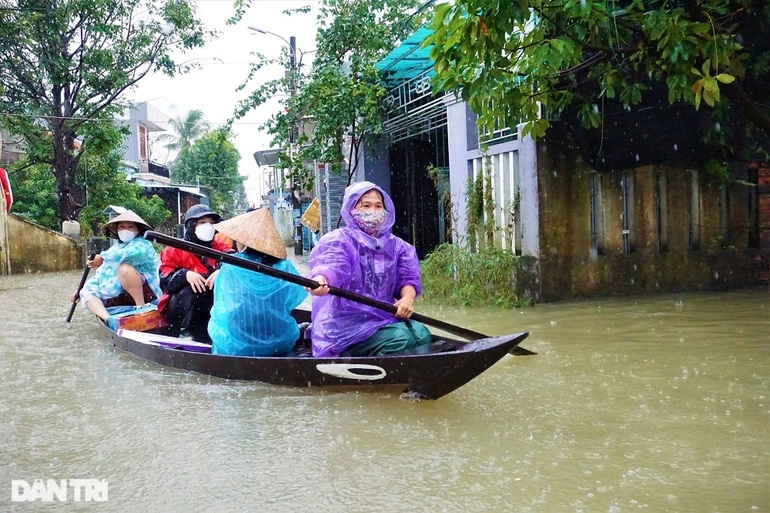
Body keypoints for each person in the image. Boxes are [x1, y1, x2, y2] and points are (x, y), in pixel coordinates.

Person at [307, 181, 431, 357]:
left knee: (421, 335)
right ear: (351, 209)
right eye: (366, 205)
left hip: (381, 318)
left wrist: (407, 300)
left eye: (378, 206)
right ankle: (363, 369)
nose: (373, 211)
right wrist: (321, 280)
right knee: (400, 338)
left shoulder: (397, 246)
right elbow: (331, 266)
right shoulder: (340, 241)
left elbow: (408, 278)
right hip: (344, 324)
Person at [208, 208, 307, 357]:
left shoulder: (231, 266)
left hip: (236, 345)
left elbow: (221, 306)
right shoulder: (285, 267)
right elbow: (294, 298)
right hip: (280, 342)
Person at [158, 204, 231, 340]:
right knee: (190, 288)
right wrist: (185, 275)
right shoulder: (173, 250)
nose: (208, 226)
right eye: (202, 223)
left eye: (211, 223)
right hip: (180, 308)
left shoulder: (218, 246)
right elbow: (165, 283)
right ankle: (185, 333)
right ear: (191, 226)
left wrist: (222, 270)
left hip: (210, 306)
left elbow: (235, 259)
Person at [75, 210, 162, 322]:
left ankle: (142, 308)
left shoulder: (143, 244)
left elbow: (132, 254)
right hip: (119, 293)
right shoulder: (114, 249)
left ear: (137, 229)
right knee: (87, 291)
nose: (125, 230)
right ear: (117, 229)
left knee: (124, 268)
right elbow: (102, 273)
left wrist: (103, 257)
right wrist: (80, 290)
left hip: (144, 292)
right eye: (121, 227)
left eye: (130, 226)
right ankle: (108, 319)